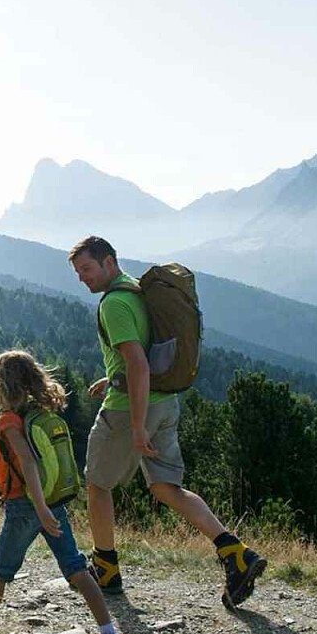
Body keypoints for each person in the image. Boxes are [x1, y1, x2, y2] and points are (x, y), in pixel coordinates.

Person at [69, 235, 266, 608]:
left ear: (109, 262)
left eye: (87, 268)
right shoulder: (138, 291)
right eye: (78, 272)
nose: (82, 277)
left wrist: (137, 424)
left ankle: (105, 568)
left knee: (98, 484)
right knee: (166, 487)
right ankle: (235, 552)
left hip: (129, 410)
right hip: (166, 403)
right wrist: (113, 377)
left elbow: (138, 363)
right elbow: (145, 353)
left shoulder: (114, 304)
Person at [0, 350, 135, 634]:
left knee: (0, 572)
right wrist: (0, 462)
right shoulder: (36, 414)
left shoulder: (8, 419)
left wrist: (39, 507)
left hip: (25, 508)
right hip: (52, 503)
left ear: (4, 385)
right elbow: (27, 459)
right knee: (77, 569)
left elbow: (29, 461)